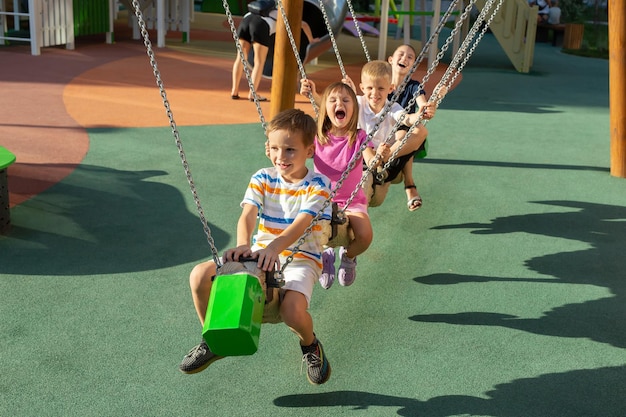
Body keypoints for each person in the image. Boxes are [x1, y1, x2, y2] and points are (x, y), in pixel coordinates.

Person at [178, 109, 333, 385]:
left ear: (309, 150)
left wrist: (274, 248)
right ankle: (212, 338)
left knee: (292, 312)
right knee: (199, 276)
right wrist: (242, 245)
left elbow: (302, 222)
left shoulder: (319, 184)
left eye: (289, 150)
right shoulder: (262, 177)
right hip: (259, 252)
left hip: (300, 258)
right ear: (267, 149)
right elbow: (248, 215)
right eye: (275, 149)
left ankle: (310, 345)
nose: (281, 157)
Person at [300, 61, 435, 212]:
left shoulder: (393, 107)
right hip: (361, 154)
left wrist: (419, 114)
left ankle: (386, 160)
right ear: (362, 88)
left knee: (419, 130)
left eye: (381, 89)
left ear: (390, 89)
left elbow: (407, 119)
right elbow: (330, 108)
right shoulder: (358, 102)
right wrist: (313, 95)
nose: (375, 93)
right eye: (369, 88)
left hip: (385, 156)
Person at [313, 81, 390, 289]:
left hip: (351, 201)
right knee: (309, 231)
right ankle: (324, 258)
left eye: (346, 100)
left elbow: (371, 161)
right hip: (321, 201)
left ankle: (348, 256)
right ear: (325, 109)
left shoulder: (358, 137)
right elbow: (295, 158)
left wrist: (380, 157)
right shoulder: (316, 138)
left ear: (354, 109)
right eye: (333, 100)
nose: (340, 103)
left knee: (365, 236)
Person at [387, 44, 439, 211]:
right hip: (381, 128)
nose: (405, 58)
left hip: (404, 130)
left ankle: (408, 181)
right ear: (391, 60)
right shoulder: (381, 84)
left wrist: (427, 108)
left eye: (410, 57)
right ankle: (409, 184)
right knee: (402, 134)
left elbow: (421, 103)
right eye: (401, 54)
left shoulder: (414, 86)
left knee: (405, 134)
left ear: (413, 66)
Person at [231, 9, 319, 102]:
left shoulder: (257, 9)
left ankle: (234, 91)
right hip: (260, 25)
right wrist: (311, 40)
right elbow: (304, 24)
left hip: (245, 21)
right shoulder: (279, 12)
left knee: (240, 58)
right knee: (259, 62)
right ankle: (252, 94)